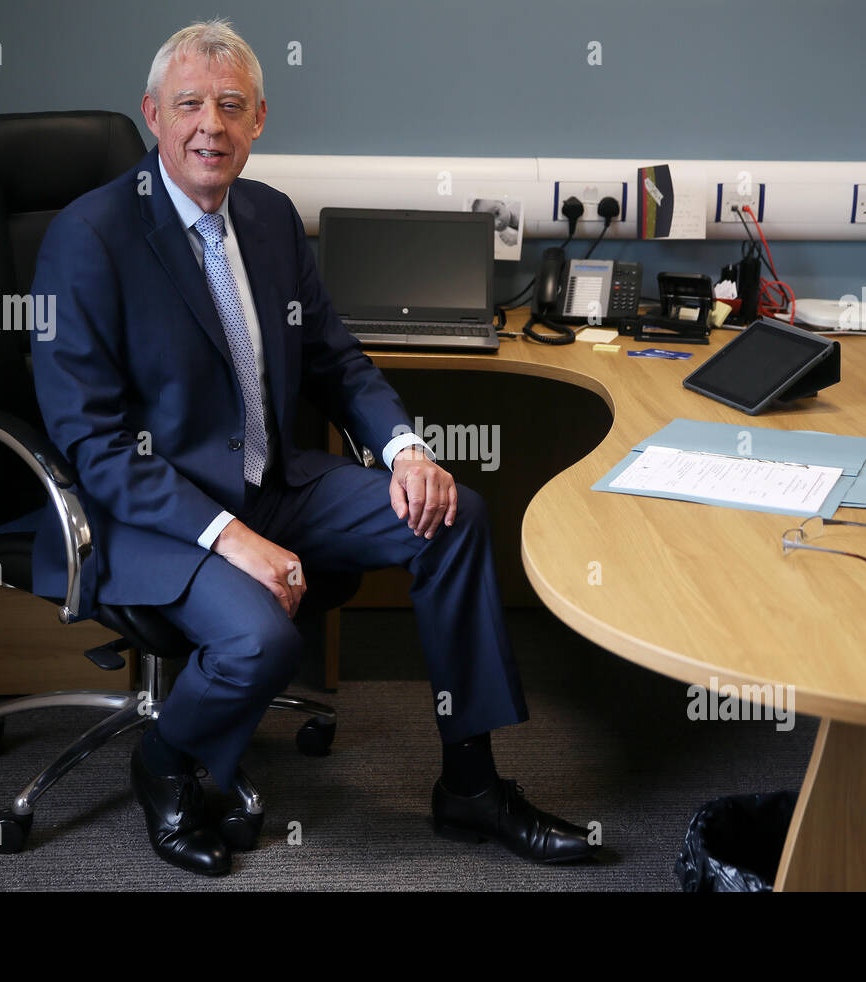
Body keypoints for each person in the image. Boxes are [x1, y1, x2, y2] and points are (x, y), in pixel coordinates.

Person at [30, 19, 597, 876]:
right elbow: (93, 443)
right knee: (262, 642)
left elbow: (335, 358)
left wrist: (405, 449)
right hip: (151, 511)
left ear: (260, 120)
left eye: (231, 106)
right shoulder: (91, 236)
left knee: (454, 516)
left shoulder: (266, 216)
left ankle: (471, 785)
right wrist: (234, 539)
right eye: (189, 105)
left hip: (271, 479)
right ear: (152, 115)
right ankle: (164, 760)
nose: (209, 127)